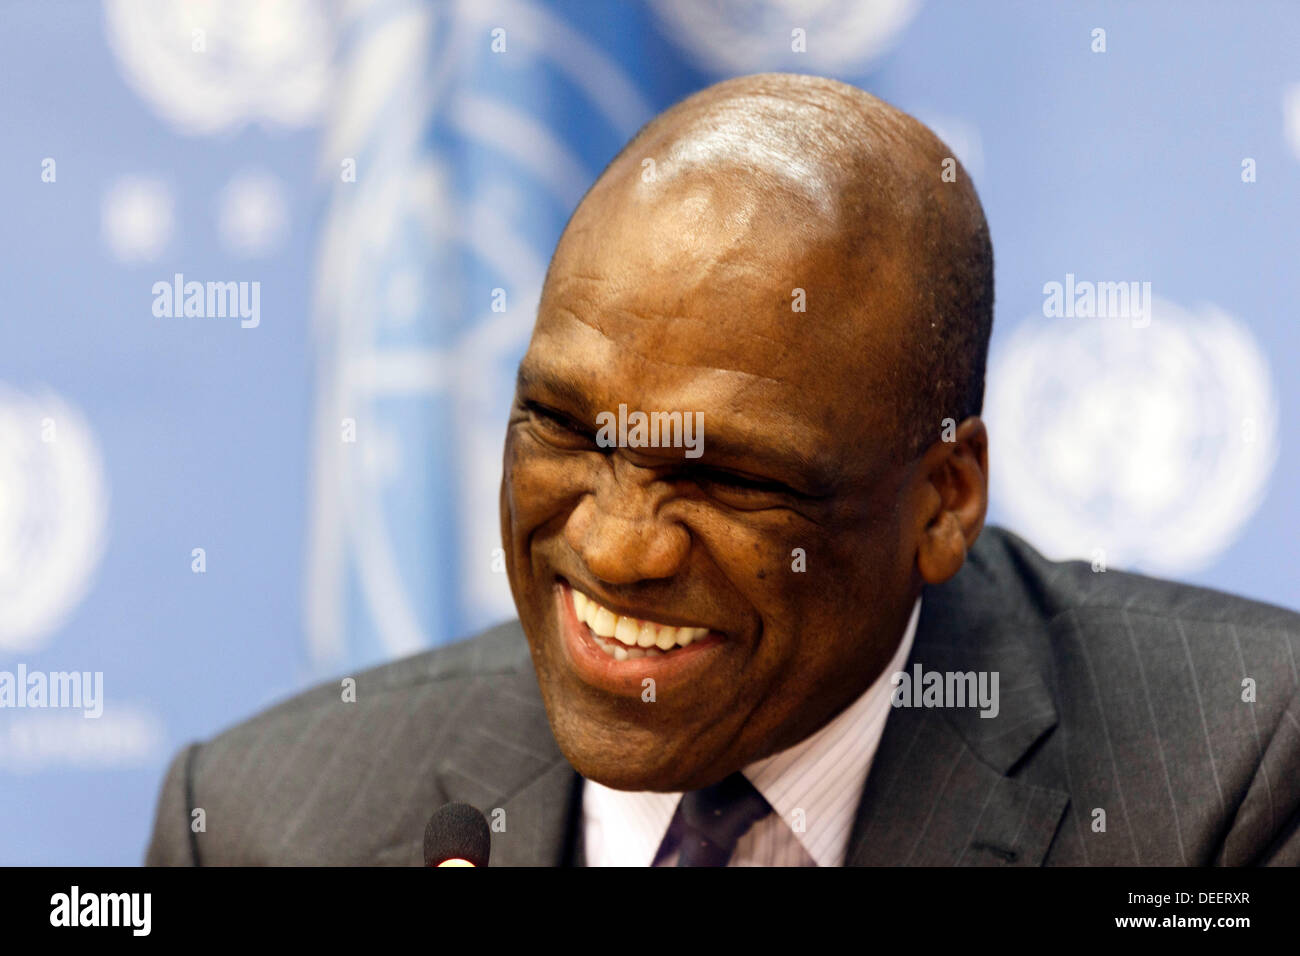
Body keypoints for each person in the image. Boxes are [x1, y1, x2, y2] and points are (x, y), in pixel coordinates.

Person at [146, 73, 1300, 866]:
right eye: (562, 424)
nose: (612, 547)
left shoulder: (1228, 780)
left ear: (942, 499)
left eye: (729, 477)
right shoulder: (261, 822)